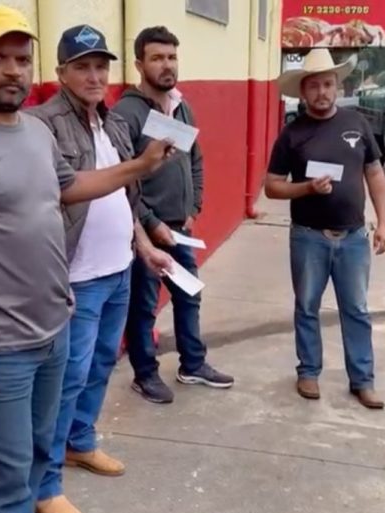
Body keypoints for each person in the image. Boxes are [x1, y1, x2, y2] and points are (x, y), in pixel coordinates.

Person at [0, 5, 173, 513]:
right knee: (1, 478)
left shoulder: (33, 130)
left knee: (32, 461)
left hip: (52, 327)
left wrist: (141, 166)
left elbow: (69, 187)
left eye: (21, 59)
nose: (11, 70)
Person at [24, 24, 175, 513]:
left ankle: (81, 444)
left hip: (117, 271)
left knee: (100, 368)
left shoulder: (109, 124)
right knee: (63, 384)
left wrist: (145, 244)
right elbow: (68, 191)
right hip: (76, 278)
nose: (94, 76)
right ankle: (45, 485)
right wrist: (140, 164)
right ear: (61, 72)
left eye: (100, 66)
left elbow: (123, 198)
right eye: (83, 66)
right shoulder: (42, 125)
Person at [263, 49, 385, 406]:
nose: (322, 91)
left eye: (328, 84)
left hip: (353, 238)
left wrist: (384, 223)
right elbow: (272, 186)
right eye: (314, 86)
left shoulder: (358, 124)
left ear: (338, 86)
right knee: (306, 306)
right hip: (308, 237)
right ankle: (308, 372)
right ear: (303, 92)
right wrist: (305, 188)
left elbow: (375, 174)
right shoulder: (292, 134)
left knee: (357, 310)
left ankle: (362, 380)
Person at [114, 25, 233, 404]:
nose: (167, 65)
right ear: (139, 64)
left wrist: (194, 206)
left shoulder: (181, 106)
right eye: (157, 58)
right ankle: (144, 374)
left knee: (188, 298)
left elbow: (193, 159)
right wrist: (152, 224)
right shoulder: (126, 114)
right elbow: (123, 181)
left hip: (181, 229)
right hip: (147, 236)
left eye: (172, 57)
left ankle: (192, 365)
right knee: (144, 307)